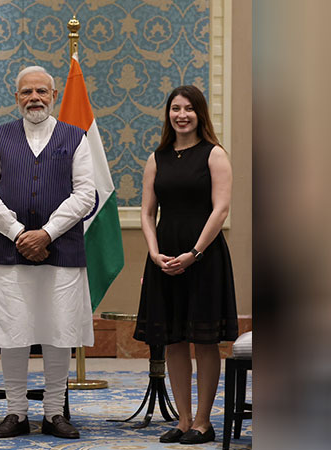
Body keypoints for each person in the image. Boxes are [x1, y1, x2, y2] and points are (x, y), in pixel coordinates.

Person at [0, 66, 95, 439]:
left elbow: (85, 195)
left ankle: (54, 414)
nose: (34, 98)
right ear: (17, 98)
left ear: (54, 95)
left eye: (42, 91)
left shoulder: (75, 138)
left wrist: (45, 233)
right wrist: (19, 234)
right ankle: (16, 413)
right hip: (7, 254)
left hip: (61, 252)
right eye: (26, 92)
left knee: (58, 332)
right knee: (14, 332)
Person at [134, 85, 238, 445]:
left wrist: (194, 253)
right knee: (173, 341)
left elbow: (220, 209)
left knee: (204, 341)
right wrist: (152, 251)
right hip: (164, 257)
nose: (182, 115)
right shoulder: (157, 158)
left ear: (200, 114)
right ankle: (183, 420)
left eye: (189, 109)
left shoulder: (214, 155)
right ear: (168, 114)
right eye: (175, 108)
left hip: (203, 257)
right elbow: (147, 212)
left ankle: (204, 423)